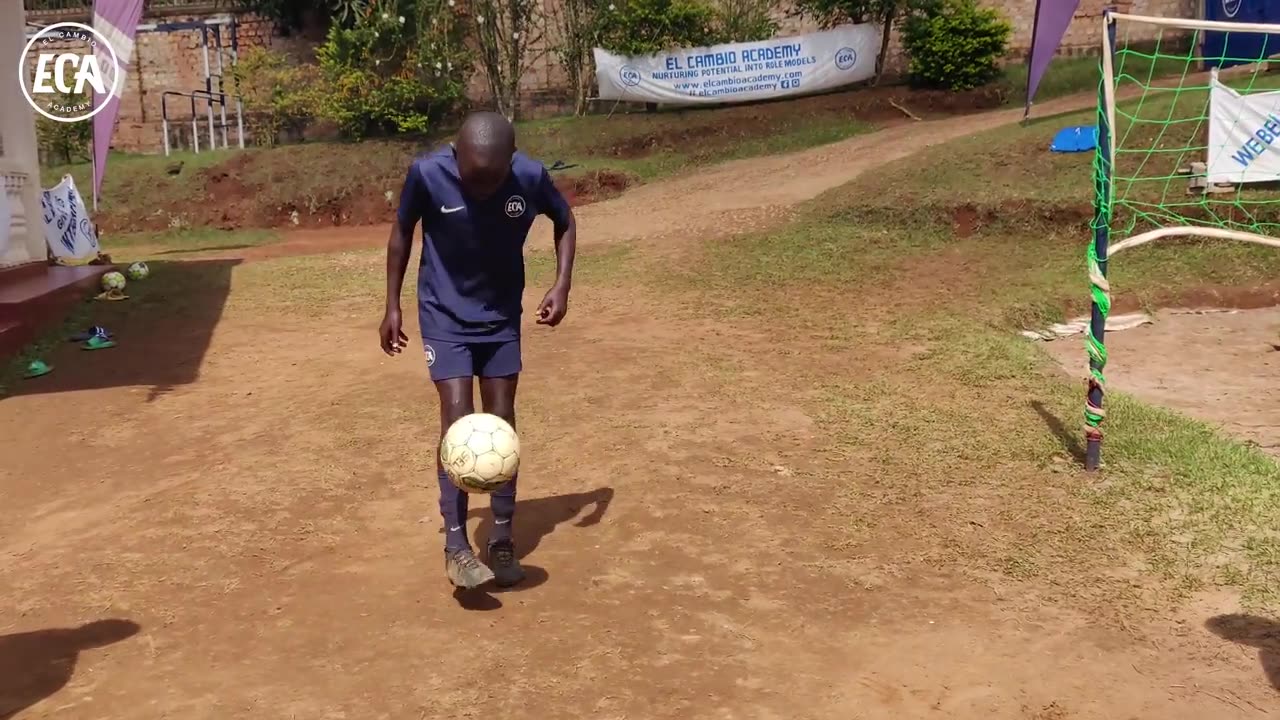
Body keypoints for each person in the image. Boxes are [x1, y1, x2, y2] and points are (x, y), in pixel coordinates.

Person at [379, 111, 577, 589]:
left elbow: (565, 221)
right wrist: (392, 306)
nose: (482, 190)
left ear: (512, 160)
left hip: (501, 316)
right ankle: (456, 545)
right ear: (456, 155)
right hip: (443, 315)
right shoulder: (427, 173)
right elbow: (401, 233)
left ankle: (502, 538)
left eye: (492, 181)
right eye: (472, 179)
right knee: (458, 420)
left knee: (502, 420)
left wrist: (562, 286)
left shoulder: (529, 176)